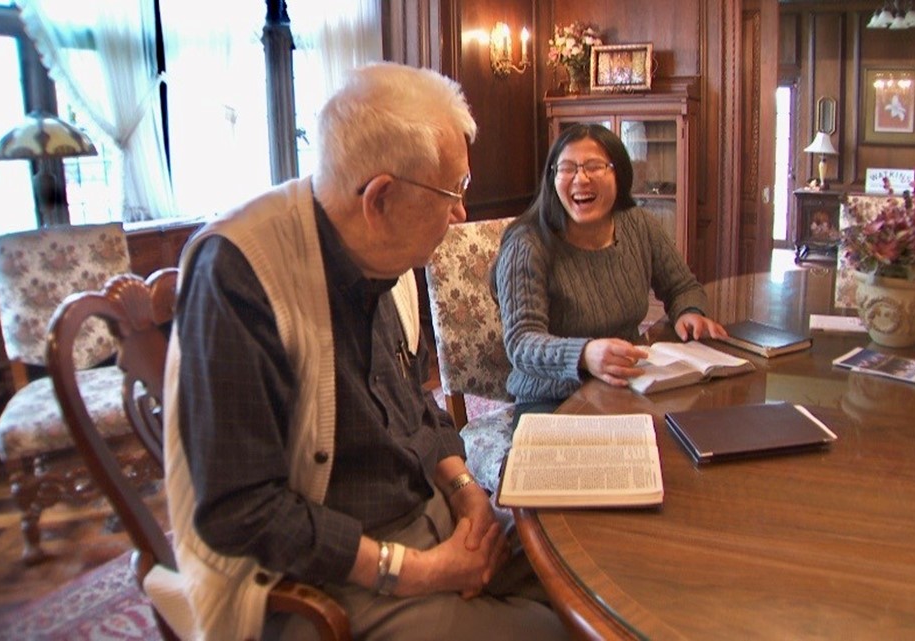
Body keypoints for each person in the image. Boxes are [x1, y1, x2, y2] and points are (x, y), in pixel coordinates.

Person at [163, 62, 568, 641]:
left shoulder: (387, 251)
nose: (460, 214)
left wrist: (465, 492)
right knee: (555, 630)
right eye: (454, 192)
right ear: (380, 199)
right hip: (320, 579)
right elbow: (242, 512)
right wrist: (418, 571)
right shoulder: (240, 273)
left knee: (580, 576)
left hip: (423, 516)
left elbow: (414, 406)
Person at [492, 123, 727, 419]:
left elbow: (682, 286)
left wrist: (689, 311)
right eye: (566, 168)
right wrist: (584, 355)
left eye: (594, 166)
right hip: (551, 397)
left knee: (685, 439)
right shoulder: (527, 244)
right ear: (552, 178)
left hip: (627, 384)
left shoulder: (639, 225)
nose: (581, 178)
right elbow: (522, 342)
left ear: (620, 174)